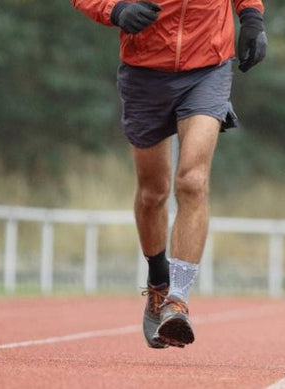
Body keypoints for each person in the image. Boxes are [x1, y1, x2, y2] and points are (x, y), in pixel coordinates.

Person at [70, 0, 267, 348]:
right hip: (145, 72)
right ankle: (158, 281)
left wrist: (251, 17)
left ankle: (178, 300)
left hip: (207, 68)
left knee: (192, 181)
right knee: (153, 193)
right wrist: (116, 10)